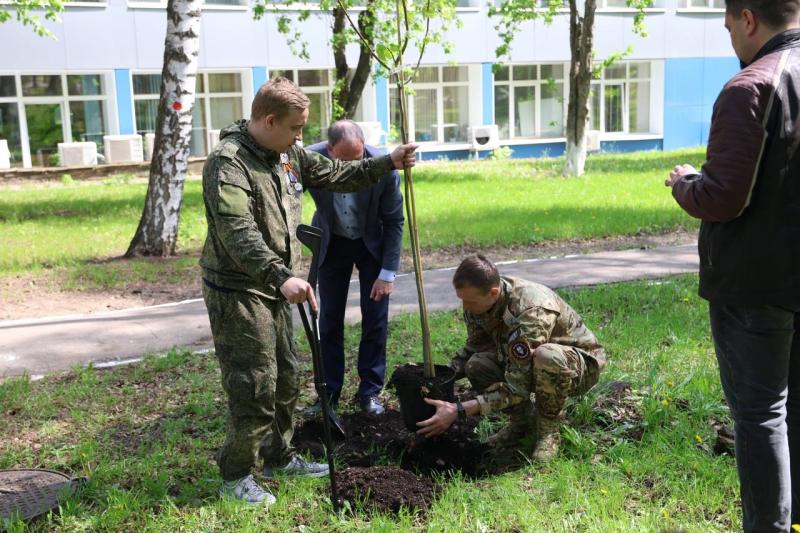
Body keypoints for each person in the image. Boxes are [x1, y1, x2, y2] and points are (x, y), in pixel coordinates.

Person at [200, 77, 417, 505]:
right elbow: (236, 232)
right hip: (239, 290)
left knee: (286, 378)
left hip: (276, 285)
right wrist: (280, 275)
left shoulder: (287, 154)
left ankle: (280, 456)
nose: (302, 138)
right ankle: (236, 475)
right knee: (254, 383)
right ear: (268, 120)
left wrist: (387, 162)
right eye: (296, 128)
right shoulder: (229, 164)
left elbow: (337, 173)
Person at [666, 2, 800, 530]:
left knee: (760, 414)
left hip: (754, 284)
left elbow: (723, 198)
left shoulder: (750, 86)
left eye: (727, 28)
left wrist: (683, 184)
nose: (730, 41)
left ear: (748, 19)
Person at [417, 254, 606, 462]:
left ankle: (548, 430)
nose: (465, 308)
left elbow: (518, 387)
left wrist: (459, 410)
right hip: (526, 363)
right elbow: (475, 346)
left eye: (469, 301)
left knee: (546, 356)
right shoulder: (479, 305)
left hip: (577, 366)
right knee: (477, 365)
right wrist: (440, 377)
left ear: (493, 292)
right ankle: (522, 423)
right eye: (462, 300)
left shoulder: (531, 310)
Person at [302, 120, 404, 416]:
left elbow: (395, 221)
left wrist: (387, 273)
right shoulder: (309, 160)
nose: (351, 167)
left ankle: (370, 392)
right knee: (328, 319)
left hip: (370, 244)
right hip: (332, 243)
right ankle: (329, 393)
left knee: (375, 319)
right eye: (343, 161)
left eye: (357, 159)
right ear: (329, 150)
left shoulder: (382, 167)